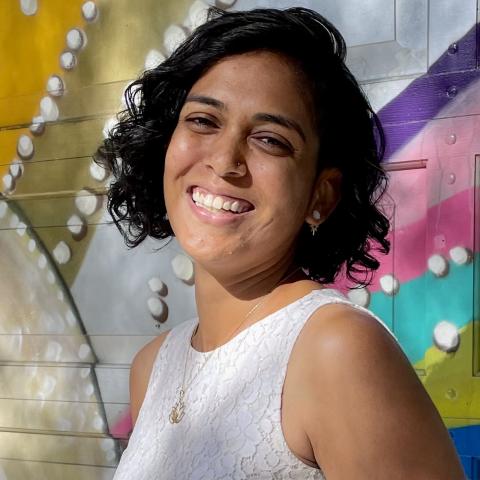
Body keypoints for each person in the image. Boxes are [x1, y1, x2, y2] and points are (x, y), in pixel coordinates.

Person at [97, 7, 465, 479]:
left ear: (320, 195)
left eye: (270, 140)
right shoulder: (153, 367)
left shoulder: (336, 349)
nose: (226, 160)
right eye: (204, 121)